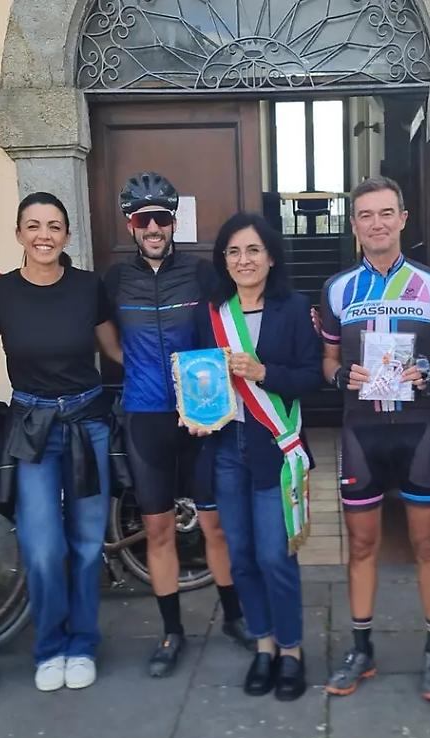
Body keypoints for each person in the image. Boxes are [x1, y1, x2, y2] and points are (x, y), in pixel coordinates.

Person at [101, 171, 253, 678]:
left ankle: (234, 617)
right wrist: (137, 370)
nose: (153, 228)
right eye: (143, 219)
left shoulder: (201, 274)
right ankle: (172, 632)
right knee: (158, 529)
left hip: (202, 414)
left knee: (215, 525)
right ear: (131, 224)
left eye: (161, 219)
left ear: (173, 222)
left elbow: (229, 327)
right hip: (146, 418)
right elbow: (107, 339)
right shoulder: (115, 281)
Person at [0, 192, 122, 692]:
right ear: (19, 233)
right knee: (41, 547)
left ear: (67, 235)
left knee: (86, 543)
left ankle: (82, 644)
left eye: (54, 226)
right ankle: (49, 647)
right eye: (34, 225)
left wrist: (182, 374)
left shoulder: (88, 287)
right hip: (31, 427)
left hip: (88, 422)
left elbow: (117, 351)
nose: (44, 235)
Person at [320, 176, 430, 700]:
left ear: (403, 218)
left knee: (427, 544)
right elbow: (328, 359)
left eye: (385, 213)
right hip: (362, 431)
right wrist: (341, 377)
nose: (376, 224)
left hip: (419, 430)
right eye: (365, 215)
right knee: (361, 545)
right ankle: (361, 649)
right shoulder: (337, 289)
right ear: (354, 226)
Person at [191, 212, 322, 700]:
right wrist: (196, 411)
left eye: (252, 250)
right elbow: (198, 376)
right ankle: (263, 644)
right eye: (233, 252)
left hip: (273, 445)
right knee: (241, 555)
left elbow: (311, 377)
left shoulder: (295, 309)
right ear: (223, 261)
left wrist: (263, 372)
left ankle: (291, 650)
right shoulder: (210, 313)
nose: (243, 260)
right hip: (227, 446)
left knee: (274, 555)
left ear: (270, 257)